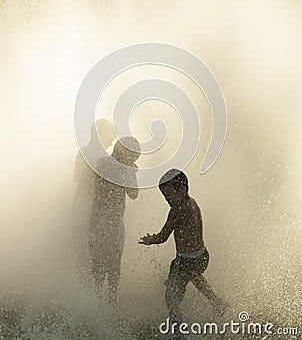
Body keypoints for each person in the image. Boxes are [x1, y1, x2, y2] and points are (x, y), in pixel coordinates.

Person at [140, 169, 226, 333]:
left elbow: (162, 237)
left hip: (185, 261)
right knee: (193, 275)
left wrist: (151, 239)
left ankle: (178, 332)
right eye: (164, 196)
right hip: (202, 257)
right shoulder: (193, 202)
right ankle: (216, 302)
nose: (167, 200)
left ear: (182, 189)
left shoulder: (177, 210)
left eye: (169, 195)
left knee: (170, 298)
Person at [89, 136, 140, 306]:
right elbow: (102, 188)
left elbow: (134, 194)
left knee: (113, 263)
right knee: (100, 262)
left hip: (115, 221)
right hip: (101, 221)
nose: (132, 159)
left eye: (135, 157)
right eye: (132, 155)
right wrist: (127, 172)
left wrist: (130, 172)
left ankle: (111, 300)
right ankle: (98, 300)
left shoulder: (125, 168)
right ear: (121, 150)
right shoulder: (104, 163)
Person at [73, 118, 115, 277]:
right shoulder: (105, 159)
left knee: (81, 244)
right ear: (100, 135)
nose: (111, 142)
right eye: (110, 136)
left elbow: (76, 178)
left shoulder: (82, 152)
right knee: (94, 246)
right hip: (94, 207)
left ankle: (82, 280)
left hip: (80, 203)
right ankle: (91, 282)